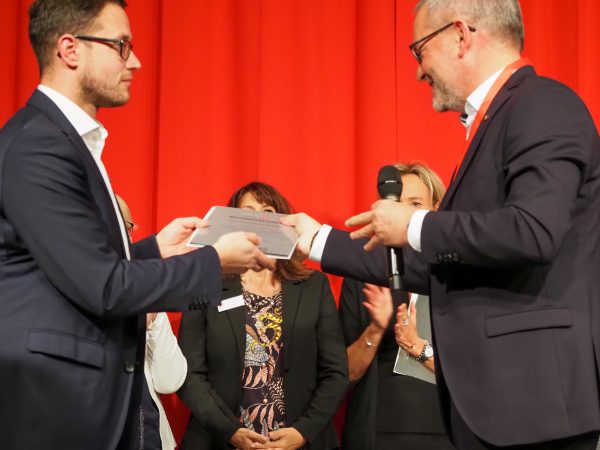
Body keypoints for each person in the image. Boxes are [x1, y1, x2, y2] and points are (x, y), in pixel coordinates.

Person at [283, 0, 600, 449]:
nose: (418, 71)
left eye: (419, 50)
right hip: (496, 409)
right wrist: (315, 239)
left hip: (534, 405)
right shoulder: (502, 117)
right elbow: (446, 265)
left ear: (460, 35)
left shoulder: (542, 105)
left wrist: (416, 223)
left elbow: (533, 231)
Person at [0, 1, 272, 449]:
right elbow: (104, 287)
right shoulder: (40, 146)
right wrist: (213, 262)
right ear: (70, 49)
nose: (136, 62)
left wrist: (153, 250)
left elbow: (73, 266)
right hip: (54, 406)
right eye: (121, 45)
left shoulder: (61, 140)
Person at [177, 182, 348, 450]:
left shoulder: (314, 286)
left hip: (300, 441)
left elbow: (335, 372)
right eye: (248, 212)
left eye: (268, 211)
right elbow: (190, 375)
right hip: (219, 439)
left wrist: (303, 431)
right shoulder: (205, 284)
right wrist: (230, 431)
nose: (259, 220)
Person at [339, 162, 453, 450]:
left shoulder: (460, 274)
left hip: (451, 430)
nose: (404, 213)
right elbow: (344, 373)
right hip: (378, 431)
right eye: (398, 204)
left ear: (436, 208)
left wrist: (419, 347)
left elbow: (480, 373)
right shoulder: (364, 272)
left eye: (415, 204)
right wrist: (376, 329)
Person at [117, 195, 187, 450]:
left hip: (149, 436)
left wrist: (153, 320)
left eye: (126, 227)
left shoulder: (144, 287)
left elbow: (170, 382)